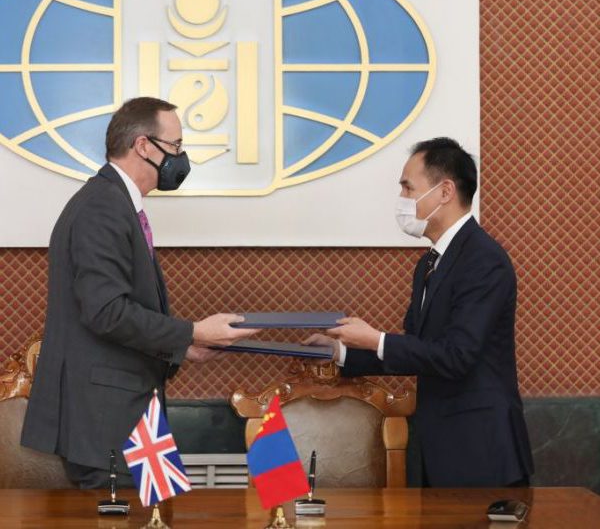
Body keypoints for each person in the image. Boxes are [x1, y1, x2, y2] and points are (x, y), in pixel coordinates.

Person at [21, 97, 259, 489]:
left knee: (159, 512)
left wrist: (185, 346)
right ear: (144, 146)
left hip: (133, 413)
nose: (181, 158)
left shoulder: (114, 203)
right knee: (139, 514)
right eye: (176, 146)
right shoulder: (102, 207)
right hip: (107, 423)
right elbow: (107, 312)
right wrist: (193, 331)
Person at [306, 137, 534, 488]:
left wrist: (375, 339)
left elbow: (456, 357)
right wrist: (341, 352)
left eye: (408, 188)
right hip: (439, 449)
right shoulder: (429, 263)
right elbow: (418, 350)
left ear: (445, 192)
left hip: (482, 451)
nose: (402, 198)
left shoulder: (484, 260)